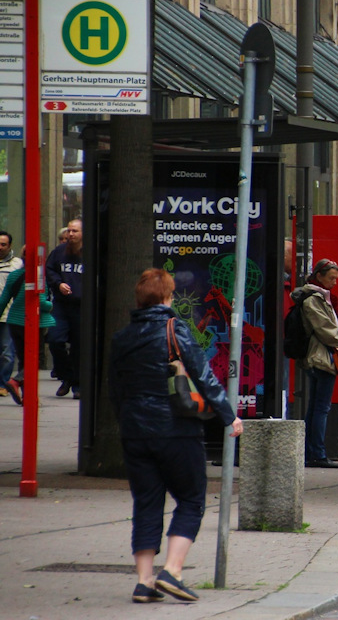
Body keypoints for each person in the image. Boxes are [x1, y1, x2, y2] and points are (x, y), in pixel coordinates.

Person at [108, 268, 242, 604]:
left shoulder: (122, 337)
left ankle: (144, 581)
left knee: (147, 503)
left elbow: (114, 389)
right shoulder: (175, 329)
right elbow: (204, 376)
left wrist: (126, 423)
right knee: (192, 498)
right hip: (176, 431)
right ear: (168, 297)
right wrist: (229, 416)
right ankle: (173, 571)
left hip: (135, 433)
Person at [294, 258, 338, 468]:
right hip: (321, 358)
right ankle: (317, 453)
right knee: (321, 407)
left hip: (318, 356)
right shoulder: (314, 299)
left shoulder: (317, 297)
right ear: (319, 276)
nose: (335, 282)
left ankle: (311, 451)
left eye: (336, 278)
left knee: (316, 407)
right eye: (331, 278)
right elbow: (326, 329)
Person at [0, 249, 55, 406]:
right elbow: (42, 302)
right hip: (33, 322)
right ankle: (16, 381)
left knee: (23, 358)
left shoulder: (14, 276)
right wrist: (51, 306)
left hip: (14, 322)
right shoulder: (38, 278)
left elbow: (3, 300)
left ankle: (26, 395)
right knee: (35, 359)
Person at [45, 218, 83, 398]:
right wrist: (58, 284)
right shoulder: (59, 252)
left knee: (78, 346)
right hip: (61, 304)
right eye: (69, 230)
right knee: (54, 339)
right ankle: (66, 376)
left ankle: (77, 384)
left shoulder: (89, 252)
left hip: (81, 306)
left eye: (75, 231)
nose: (71, 234)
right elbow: (49, 270)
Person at [0, 231, 23, 400]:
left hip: (8, 314)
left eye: (3, 244)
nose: (0, 248)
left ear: (9, 246)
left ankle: (3, 384)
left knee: (7, 353)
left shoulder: (17, 265)